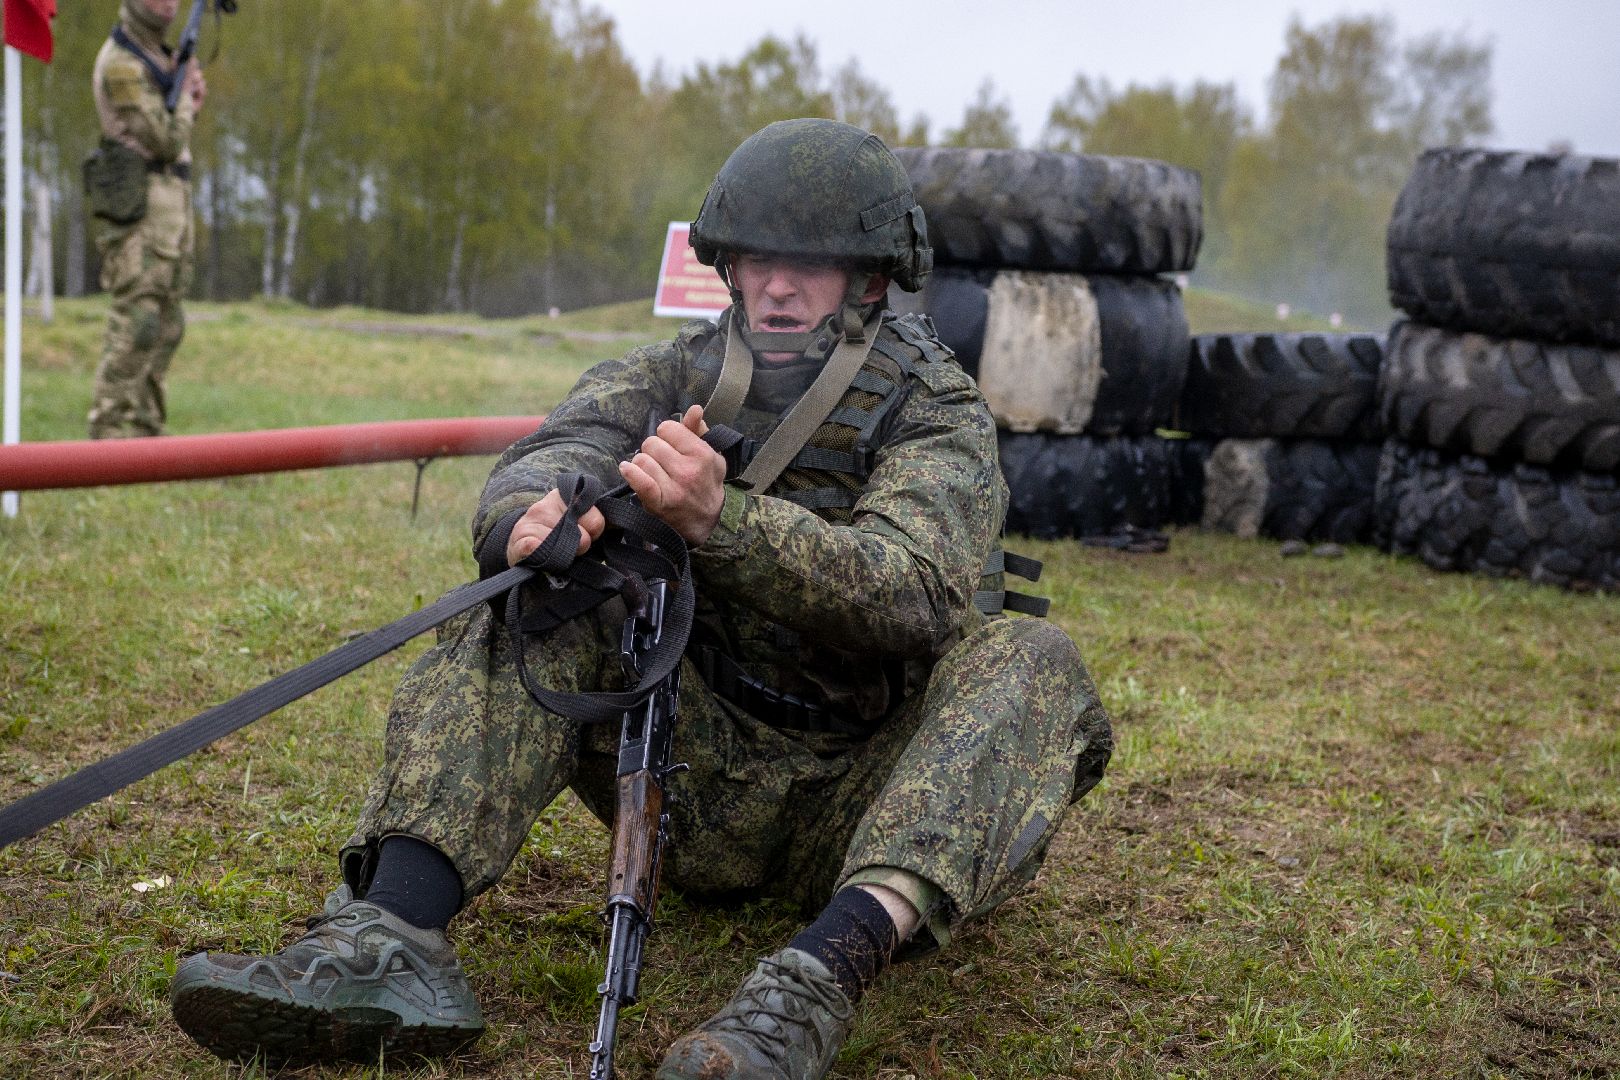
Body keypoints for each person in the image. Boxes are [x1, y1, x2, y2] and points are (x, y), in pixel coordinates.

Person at [167, 118, 1113, 1079]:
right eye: (759, 259)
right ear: (730, 266)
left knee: (1031, 663)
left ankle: (811, 991)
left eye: (812, 264)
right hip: (681, 778)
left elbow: (919, 591)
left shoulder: (934, 407)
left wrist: (726, 523)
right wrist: (529, 518)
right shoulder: (679, 368)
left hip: (865, 807)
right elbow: (564, 440)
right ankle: (388, 940)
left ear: (869, 278)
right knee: (538, 593)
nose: (779, 285)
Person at [85, 0, 203, 439]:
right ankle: (108, 432)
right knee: (138, 323)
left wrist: (189, 99)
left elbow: (175, 134)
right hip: (140, 213)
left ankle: (147, 429)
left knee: (169, 326)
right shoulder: (121, 64)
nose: (169, 3)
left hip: (172, 207)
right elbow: (167, 139)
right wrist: (186, 98)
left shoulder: (158, 57)